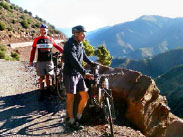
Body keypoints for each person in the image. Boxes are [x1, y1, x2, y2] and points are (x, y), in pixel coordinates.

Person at [63, 25, 95, 129]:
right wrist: (85, 72)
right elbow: (74, 61)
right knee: (70, 98)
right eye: (82, 33)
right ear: (76, 34)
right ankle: (71, 120)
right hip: (70, 74)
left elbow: (83, 55)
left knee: (85, 96)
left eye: (84, 33)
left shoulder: (80, 43)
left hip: (78, 74)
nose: (84, 35)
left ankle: (78, 117)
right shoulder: (70, 45)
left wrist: (91, 63)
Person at [29, 24, 63, 100]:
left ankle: (48, 90)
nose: (43, 31)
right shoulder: (36, 40)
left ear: (47, 30)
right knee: (41, 77)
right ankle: (42, 92)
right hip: (40, 61)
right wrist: (31, 60)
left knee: (48, 76)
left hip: (49, 61)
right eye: (41, 30)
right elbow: (33, 51)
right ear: (40, 31)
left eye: (44, 30)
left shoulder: (51, 39)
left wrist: (64, 51)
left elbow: (57, 46)